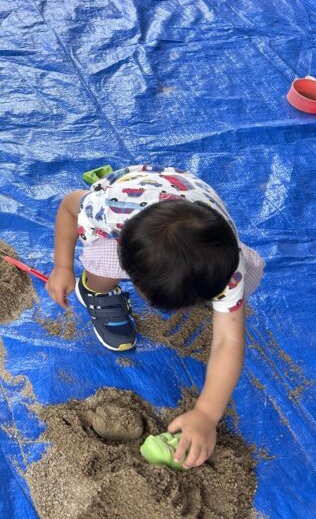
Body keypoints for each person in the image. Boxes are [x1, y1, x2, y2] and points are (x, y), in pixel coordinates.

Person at [46, 165, 265, 469]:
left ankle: (200, 288)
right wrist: (62, 267)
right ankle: (94, 290)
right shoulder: (106, 211)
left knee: (246, 280)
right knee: (103, 263)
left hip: (187, 200)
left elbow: (228, 340)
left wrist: (206, 413)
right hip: (130, 194)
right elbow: (70, 206)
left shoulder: (229, 262)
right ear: (133, 273)